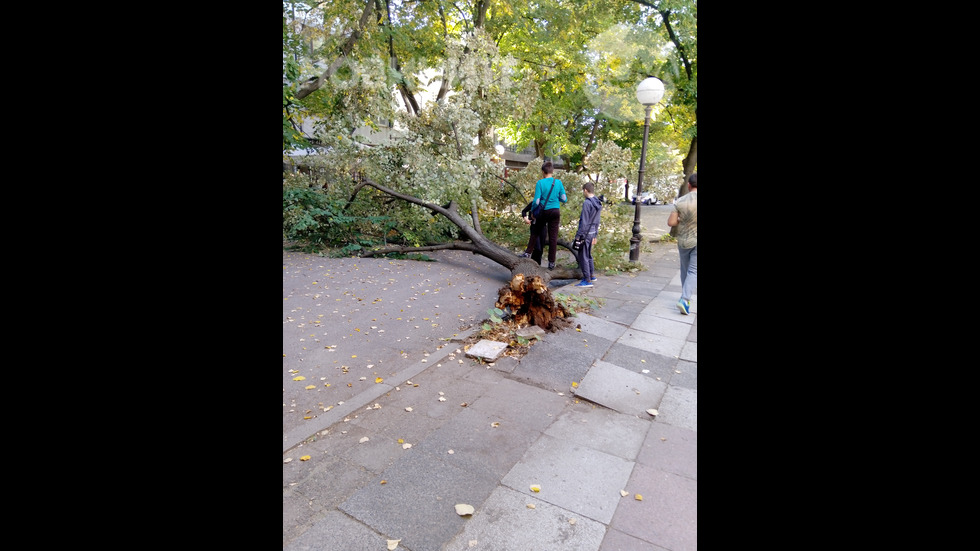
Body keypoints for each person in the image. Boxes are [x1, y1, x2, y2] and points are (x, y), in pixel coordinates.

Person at [667, 172, 697, 314]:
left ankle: (685, 299)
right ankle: (685, 299)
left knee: (685, 270)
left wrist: (680, 219)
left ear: (689, 185)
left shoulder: (680, 201)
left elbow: (671, 222)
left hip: (683, 240)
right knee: (694, 270)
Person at [529, 161, 567, 269]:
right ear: (552, 171)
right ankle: (551, 262)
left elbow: (536, 201)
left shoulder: (540, 183)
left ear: (543, 171)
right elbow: (564, 199)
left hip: (544, 212)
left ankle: (527, 253)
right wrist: (555, 199)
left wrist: (532, 212)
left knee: (535, 232)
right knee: (553, 238)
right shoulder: (558, 182)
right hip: (555, 211)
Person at [573, 182, 602, 288]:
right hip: (592, 232)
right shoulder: (597, 202)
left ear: (585, 190)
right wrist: (595, 235)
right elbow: (597, 221)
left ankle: (587, 280)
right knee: (588, 255)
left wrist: (579, 235)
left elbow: (584, 221)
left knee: (583, 256)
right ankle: (591, 275)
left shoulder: (587, 203)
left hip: (585, 234)